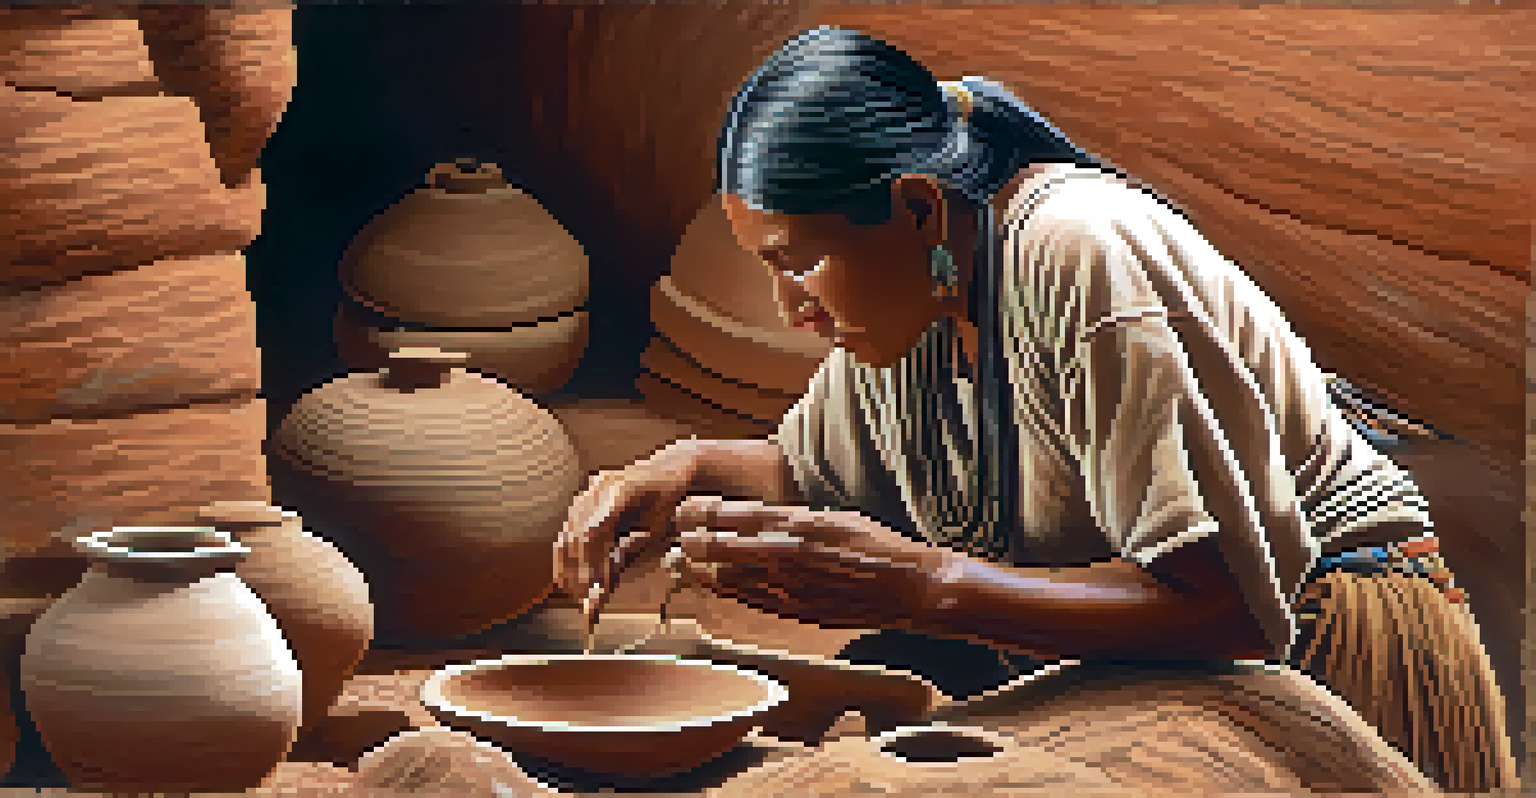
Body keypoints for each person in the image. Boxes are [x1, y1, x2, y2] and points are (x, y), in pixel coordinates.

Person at [555, 26, 1510, 792]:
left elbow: (1230, 610)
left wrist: (924, 584)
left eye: (797, 260)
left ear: (920, 209)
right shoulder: (909, 299)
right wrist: (674, 472)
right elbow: (812, 472)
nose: (786, 307)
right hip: (1166, 652)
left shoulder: (1077, 255)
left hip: (1322, 651)